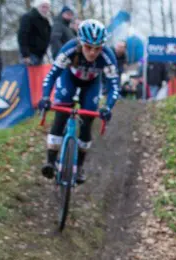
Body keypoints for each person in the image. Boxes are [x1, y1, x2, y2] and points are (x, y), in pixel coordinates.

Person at [37, 19, 119, 184]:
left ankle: (79, 166)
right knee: (60, 115)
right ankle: (50, 162)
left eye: (98, 48)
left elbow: (114, 87)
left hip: (92, 83)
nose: (93, 53)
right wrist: (45, 98)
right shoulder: (69, 49)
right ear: (81, 43)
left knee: (88, 120)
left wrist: (107, 107)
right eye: (88, 47)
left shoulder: (108, 56)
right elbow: (52, 75)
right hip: (70, 79)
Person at [18, 0, 51, 65]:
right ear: (37, 6)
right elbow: (22, 36)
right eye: (43, 7)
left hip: (40, 55)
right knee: (28, 74)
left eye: (47, 7)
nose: (45, 9)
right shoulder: (28, 17)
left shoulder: (46, 20)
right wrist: (25, 55)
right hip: (30, 54)